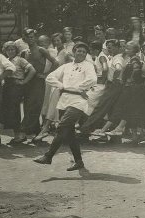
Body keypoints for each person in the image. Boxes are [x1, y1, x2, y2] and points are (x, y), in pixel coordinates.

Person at [33, 42, 97, 171]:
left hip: (78, 101)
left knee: (62, 127)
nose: (81, 54)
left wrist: (79, 88)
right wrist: (61, 85)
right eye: (79, 51)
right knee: (69, 133)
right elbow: (50, 77)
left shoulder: (88, 66)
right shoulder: (66, 66)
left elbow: (92, 79)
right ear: (74, 52)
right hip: (64, 100)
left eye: (84, 52)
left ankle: (48, 156)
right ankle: (79, 161)